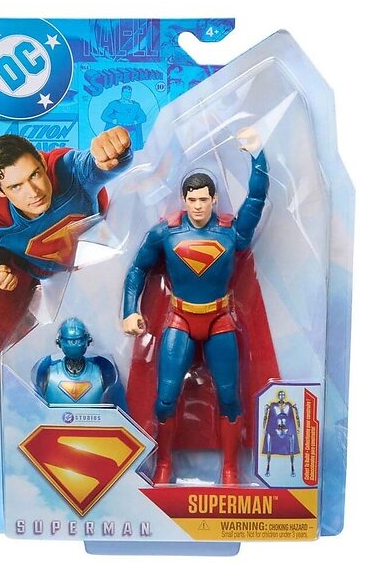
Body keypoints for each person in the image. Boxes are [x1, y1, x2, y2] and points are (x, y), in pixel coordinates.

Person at [122, 148, 269, 485]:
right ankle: (163, 465)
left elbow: (257, 198)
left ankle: (230, 470)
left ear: (214, 200)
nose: (198, 206)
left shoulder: (231, 232)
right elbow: (138, 269)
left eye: (204, 199)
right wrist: (130, 310)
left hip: (220, 320)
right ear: (184, 200)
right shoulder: (165, 233)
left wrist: (258, 155)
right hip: (180, 320)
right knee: (165, 397)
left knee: (229, 397)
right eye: (192, 199)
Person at [0, 127, 132, 351]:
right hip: (39, 281)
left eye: (34, 175)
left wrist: (113, 152)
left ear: (42, 162)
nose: (33, 192)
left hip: (98, 262)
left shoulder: (67, 173)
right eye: (16, 186)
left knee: (118, 331)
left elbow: (95, 166)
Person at [32, 318, 126, 409]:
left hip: (95, 419)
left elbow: (119, 406)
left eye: (77, 340)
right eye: (70, 341)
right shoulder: (46, 371)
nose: (74, 343)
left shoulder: (103, 371)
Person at [262, 390, 301, 477]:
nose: (281, 396)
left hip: (287, 430)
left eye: (283, 395)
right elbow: (266, 416)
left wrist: (298, 427)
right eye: (280, 395)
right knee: (269, 447)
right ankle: (267, 468)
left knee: (291, 448)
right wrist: (264, 427)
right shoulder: (272, 406)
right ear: (278, 396)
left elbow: (296, 416)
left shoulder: (289, 406)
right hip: (275, 430)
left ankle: (292, 468)